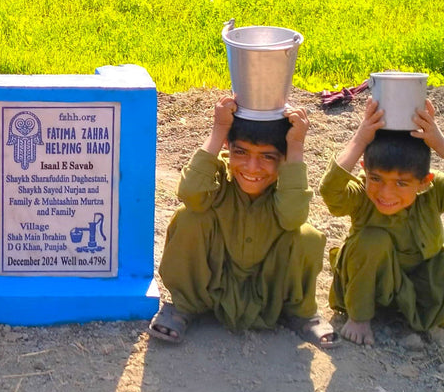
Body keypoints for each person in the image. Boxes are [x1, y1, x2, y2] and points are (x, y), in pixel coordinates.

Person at [147, 96, 338, 348]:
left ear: (282, 159)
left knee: (307, 235)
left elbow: (293, 217)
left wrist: (296, 146)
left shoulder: (284, 191)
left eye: (267, 157)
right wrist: (218, 131)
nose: (252, 167)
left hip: (267, 292)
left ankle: (300, 313)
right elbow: (190, 192)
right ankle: (183, 307)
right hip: (214, 285)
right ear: (228, 148)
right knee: (188, 218)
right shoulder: (218, 184)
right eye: (241, 152)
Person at [320, 98, 444, 346]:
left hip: (419, 285)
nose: (385, 194)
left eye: (401, 183)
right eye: (376, 178)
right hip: (368, 285)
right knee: (371, 240)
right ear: (365, 170)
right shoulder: (361, 195)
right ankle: (359, 318)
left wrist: (438, 142)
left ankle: (430, 317)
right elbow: (330, 191)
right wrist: (360, 138)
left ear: (424, 181)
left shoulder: (433, 191)